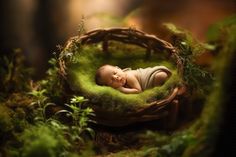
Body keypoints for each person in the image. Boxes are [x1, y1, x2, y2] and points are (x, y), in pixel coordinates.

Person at [95, 64, 172, 94]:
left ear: (118, 68)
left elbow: (138, 91)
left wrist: (122, 90)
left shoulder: (128, 76)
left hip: (152, 75)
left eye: (115, 73)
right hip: (151, 81)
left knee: (161, 76)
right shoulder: (123, 82)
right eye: (111, 80)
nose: (116, 77)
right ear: (110, 87)